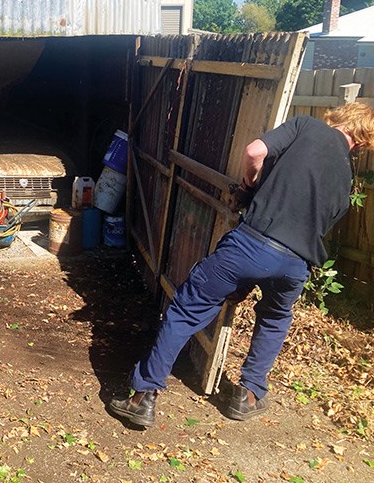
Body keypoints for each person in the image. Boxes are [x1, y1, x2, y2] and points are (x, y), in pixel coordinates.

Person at [109, 102, 374, 427]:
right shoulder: (346, 177)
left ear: (340, 117)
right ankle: (247, 396)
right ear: (361, 142)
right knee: (275, 320)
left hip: (252, 244)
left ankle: (142, 397)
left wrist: (249, 185)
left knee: (188, 310)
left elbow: (254, 151)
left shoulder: (307, 126)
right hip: (296, 265)